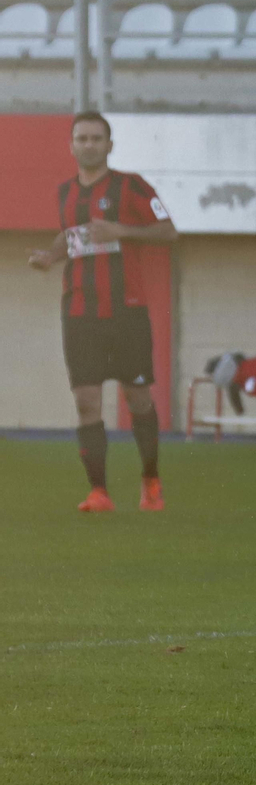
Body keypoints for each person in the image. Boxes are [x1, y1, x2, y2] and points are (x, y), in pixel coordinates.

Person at [27, 111, 179, 512]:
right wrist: (51, 255)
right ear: (72, 145)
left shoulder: (131, 186)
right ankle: (99, 492)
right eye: (82, 138)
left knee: (138, 398)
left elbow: (168, 231)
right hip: (79, 312)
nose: (89, 144)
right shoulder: (65, 193)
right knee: (86, 402)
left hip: (126, 312)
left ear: (109, 145)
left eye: (97, 138)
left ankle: (150, 480)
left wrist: (122, 231)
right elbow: (71, 234)